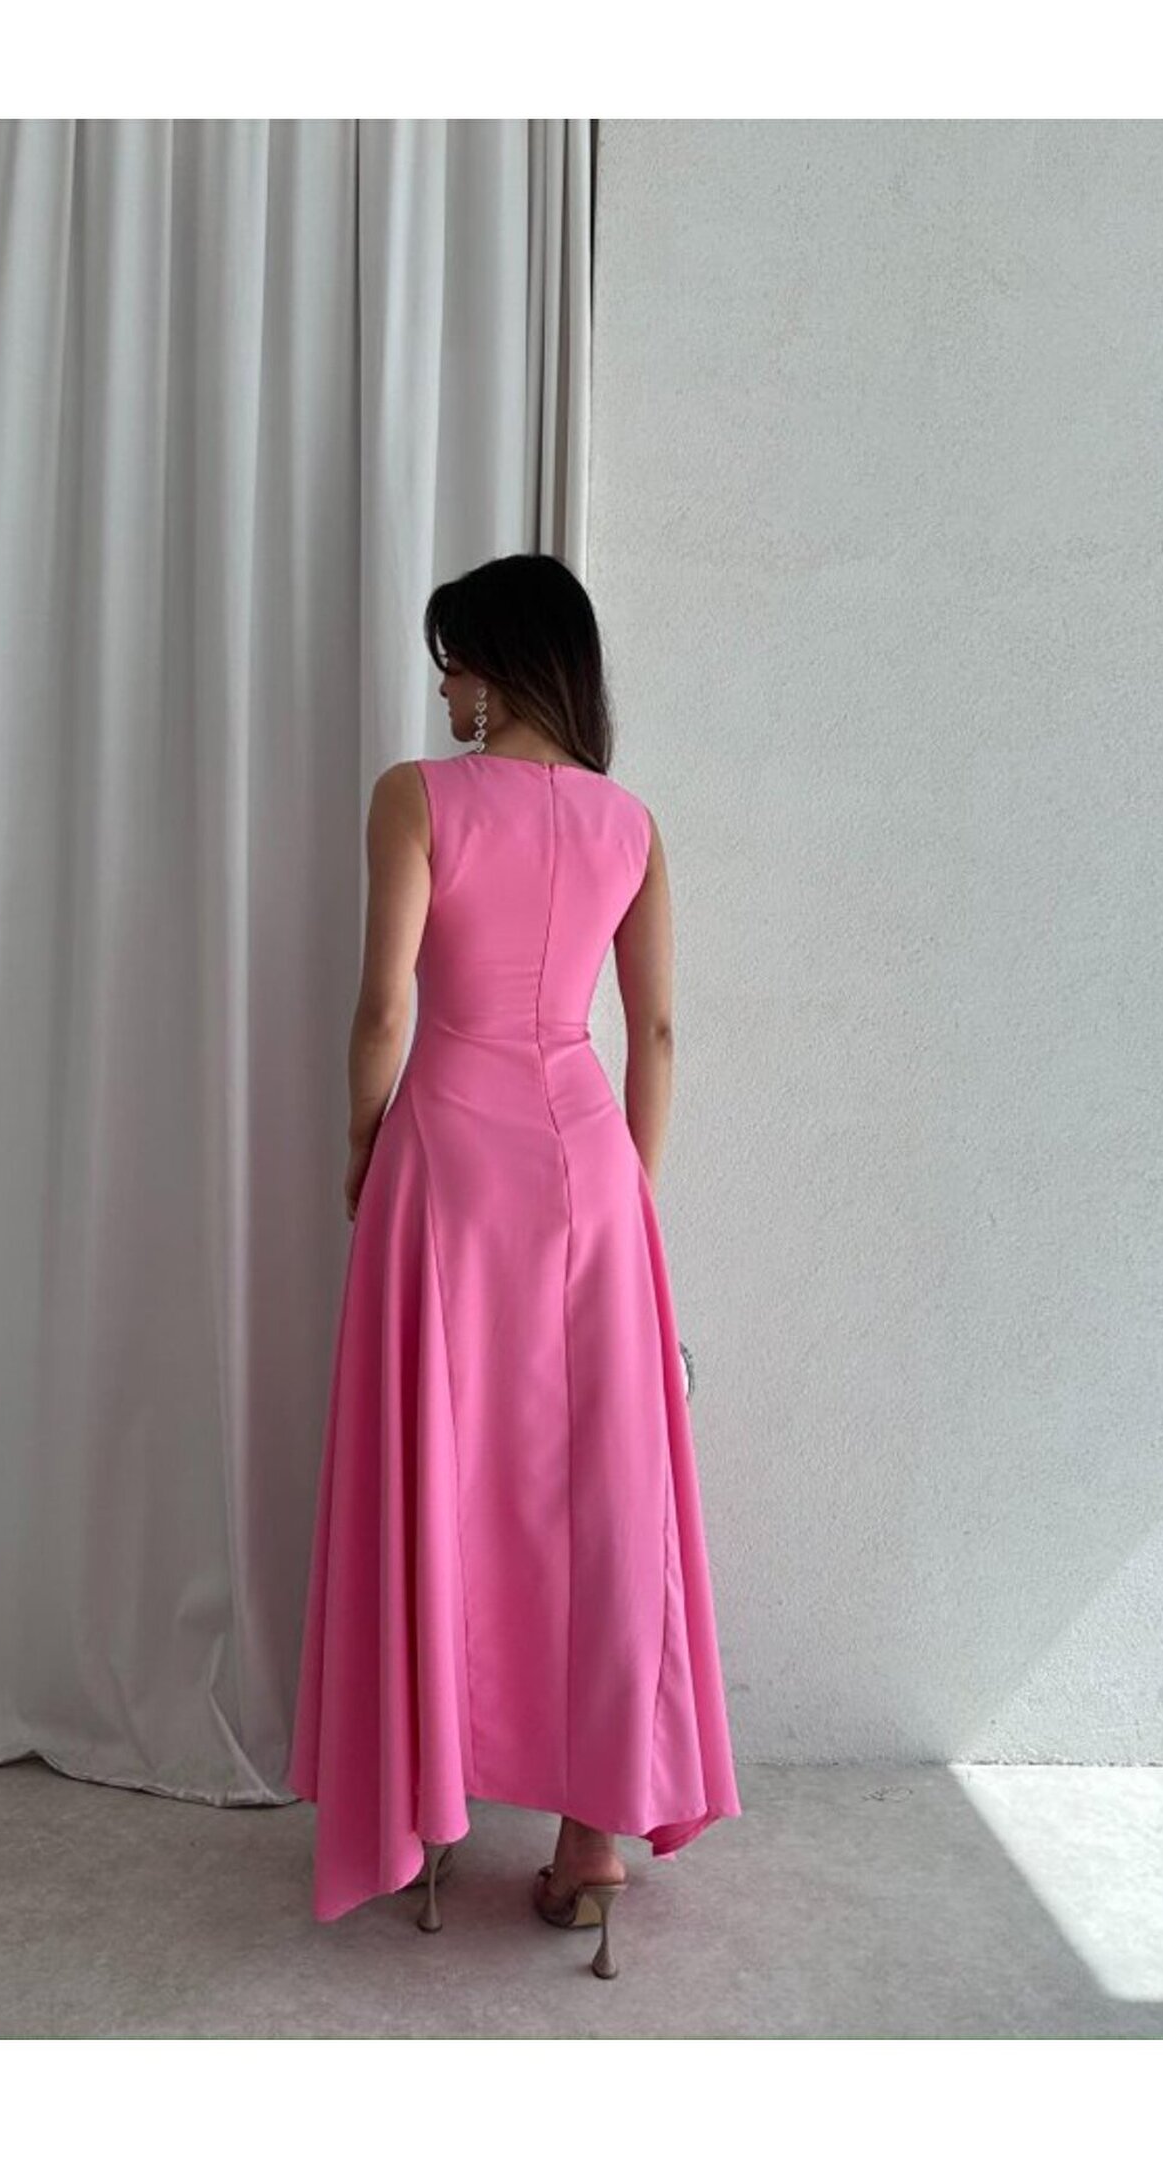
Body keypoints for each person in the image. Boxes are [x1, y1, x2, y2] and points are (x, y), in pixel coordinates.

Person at [286, 552, 741, 1979]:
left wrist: (360, 1146)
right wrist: (628, 1204)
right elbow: (654, 1035)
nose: (443, 691)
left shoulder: (416, 797)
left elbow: (383, 1007)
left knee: (441, 1467)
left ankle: (423, 1816)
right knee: (597, 1494)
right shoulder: (631, 823)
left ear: (498, 666)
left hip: (447, 1164)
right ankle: (592, 1841)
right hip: (588, 1166)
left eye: (454, 663)